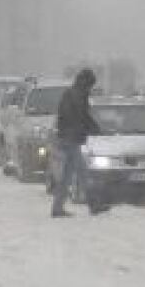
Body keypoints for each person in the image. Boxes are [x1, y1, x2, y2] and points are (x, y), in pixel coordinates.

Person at [51, 69, 103, 218]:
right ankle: (94, 204)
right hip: (70, 139)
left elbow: (83, 116)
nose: (91, 88)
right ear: (86, 82)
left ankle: (57, 208)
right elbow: (76, 117)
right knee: (83, 173)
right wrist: (87, 128)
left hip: (69, 138)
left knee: (67, 176)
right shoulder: (76, 95)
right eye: (90, 84)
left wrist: (93, 127)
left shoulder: (76, 94)